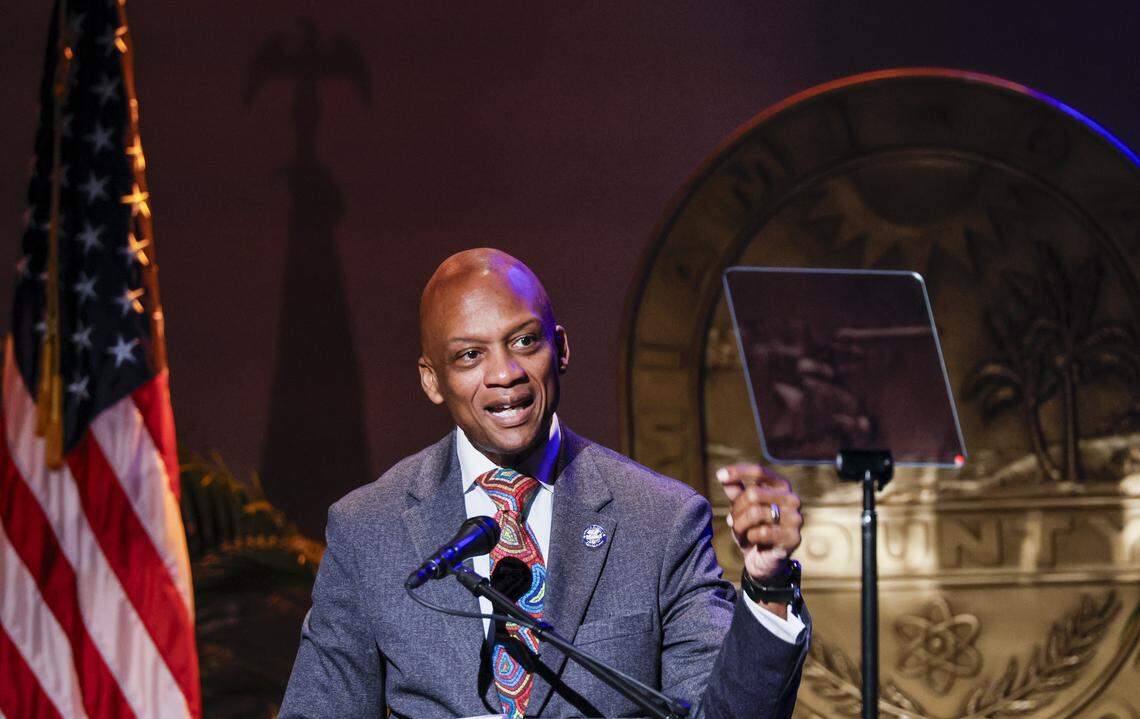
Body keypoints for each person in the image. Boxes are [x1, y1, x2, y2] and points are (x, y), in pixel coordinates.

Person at [279, 249, 810, 718]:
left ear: (560, 349)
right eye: (470, 355)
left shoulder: (659, 519)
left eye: (524, 341)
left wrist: (767, 585)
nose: (504, 373)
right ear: (431, 380)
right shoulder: (369, 529)